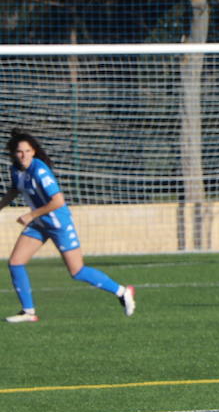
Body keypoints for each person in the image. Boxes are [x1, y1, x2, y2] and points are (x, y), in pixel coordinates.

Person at [0, 130, 135, 323]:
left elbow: (58, 201)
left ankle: (122, 292)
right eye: (20, 151)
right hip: (40, 224)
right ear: (13, 153)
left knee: (77, 271)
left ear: (34, 152)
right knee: (15, 262)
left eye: (27, 151)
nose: (24, 155)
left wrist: (31, 214)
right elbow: (14, 190)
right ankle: (28, 312)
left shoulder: (40, 171)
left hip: (58, 224)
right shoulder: (16, 170)